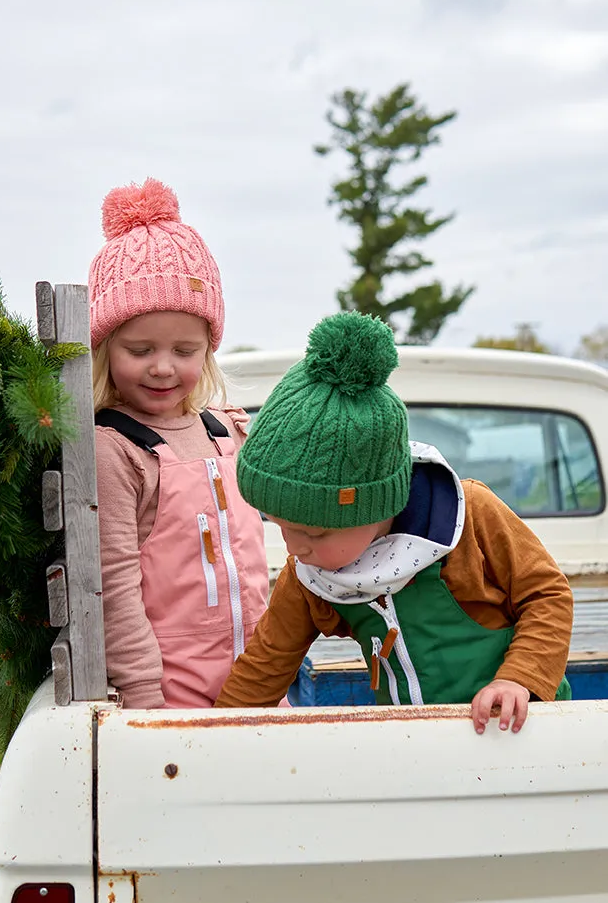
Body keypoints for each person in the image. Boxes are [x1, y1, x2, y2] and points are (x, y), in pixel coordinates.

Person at [215, 311, 573, 733]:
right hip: (410, 747)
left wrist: (519, 678)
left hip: (520, 734)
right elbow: (265, 665)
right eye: (280, 527)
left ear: (374, 509)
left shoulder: (471, 515)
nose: (294, 548)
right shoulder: (310, 577)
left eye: (314, 532)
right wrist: (212, 735)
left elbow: (547, 595)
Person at [89, 177, 269, 708]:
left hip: (260, 676)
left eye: (185, 350)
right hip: (171, 690)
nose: (163, 367)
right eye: (140, 348)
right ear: (105, 348)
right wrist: (145, 697)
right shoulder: (115, 449)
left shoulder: (229, 432)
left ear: (208, 350)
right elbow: (115, 584)